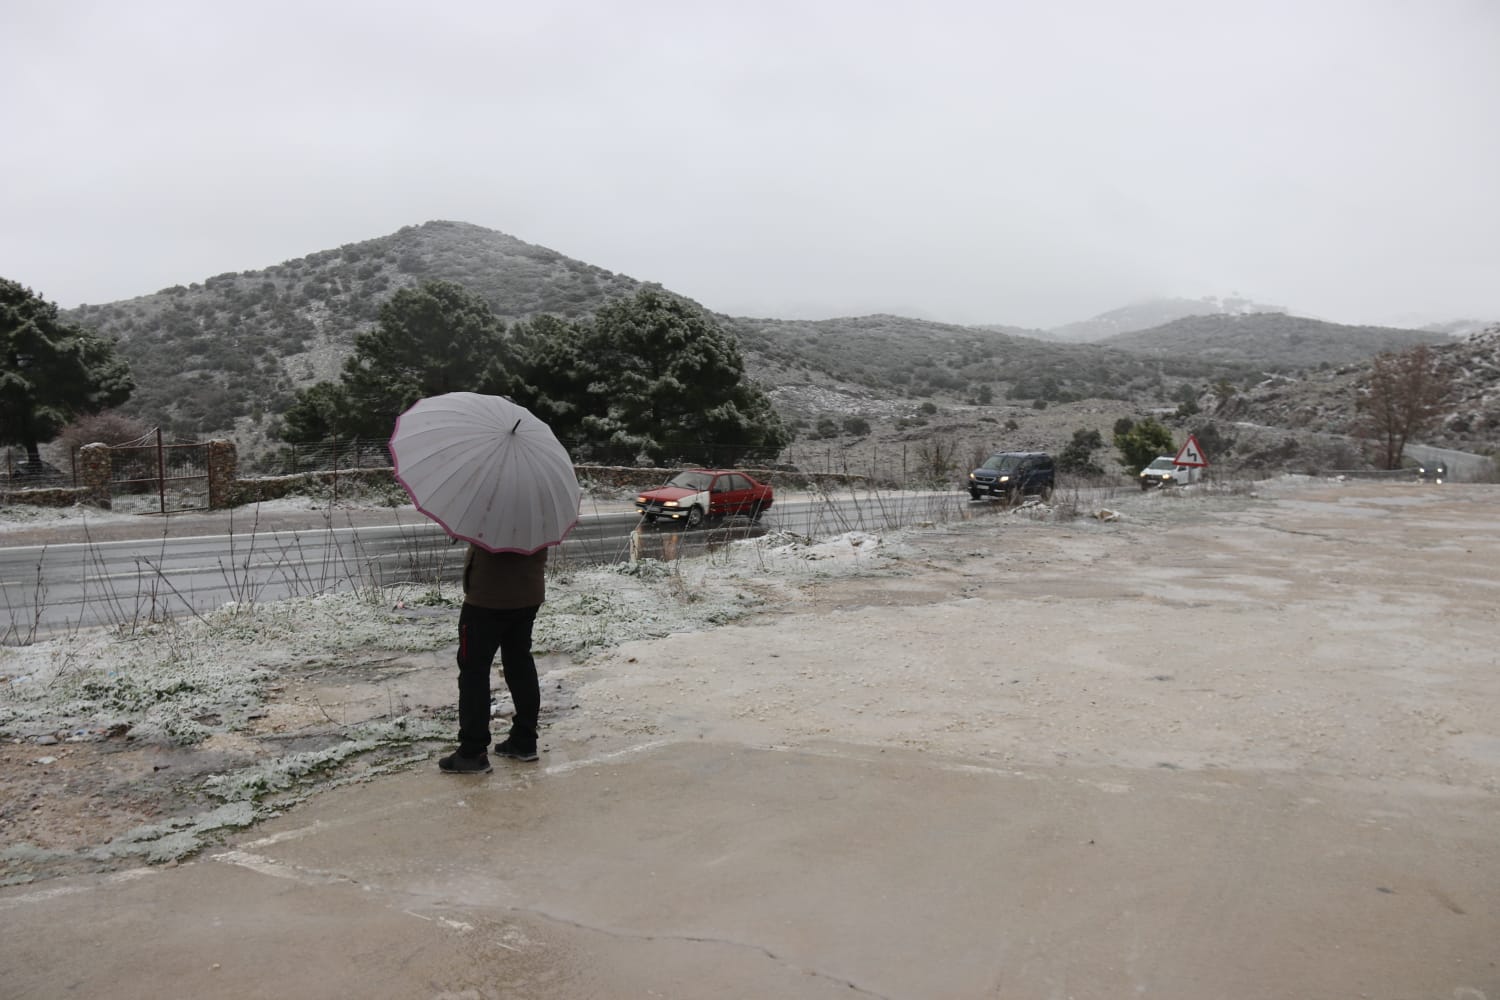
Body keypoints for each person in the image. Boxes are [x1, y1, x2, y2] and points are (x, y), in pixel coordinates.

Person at [438, 543, 548, 774]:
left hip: (487, 597)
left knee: (473, 671)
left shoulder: (489, 508)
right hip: (528, 592)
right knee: (520, 663)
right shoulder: (540, 509)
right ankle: (524, 740)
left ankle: (472, 750)